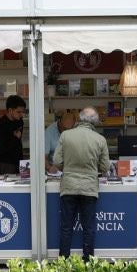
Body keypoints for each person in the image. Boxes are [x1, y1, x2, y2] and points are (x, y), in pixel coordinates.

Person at [52, 107, 110, 259]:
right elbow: (105, 167)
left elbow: (57, 161)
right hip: (89, 187)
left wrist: (69, 167)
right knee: (88, 228)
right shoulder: (100, 139)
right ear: (95, 122)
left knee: (66, 227)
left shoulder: (65, 135)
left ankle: (63, 262)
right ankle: (88, 262)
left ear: (79, 119)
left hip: (69, 186)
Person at [0, 95, 27, 176]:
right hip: (5, 163)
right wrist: (15, 138)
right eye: (19, 112)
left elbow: (18, 141)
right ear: (10, 110)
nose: (22, 115)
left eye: (23, 112)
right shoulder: (0, 124)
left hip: (19, 161)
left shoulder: (19, 121)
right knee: (8, 187)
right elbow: (0, 149)